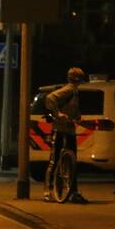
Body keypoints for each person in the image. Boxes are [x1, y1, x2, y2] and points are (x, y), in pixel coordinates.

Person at [43, 67, 88, 204]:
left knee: (71, 161)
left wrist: (78, 117)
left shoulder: (74, 92)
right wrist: (57, 114)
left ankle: (71, 191)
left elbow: (74, 108)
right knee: (55, 160)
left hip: (69, 130)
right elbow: (50, 98)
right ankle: (48, 191)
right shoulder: (68, 90)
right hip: (60, 129)